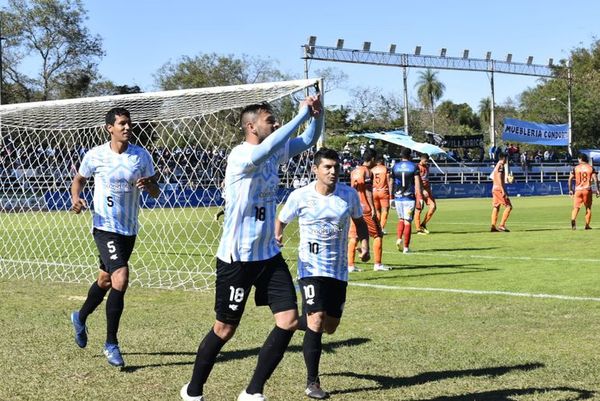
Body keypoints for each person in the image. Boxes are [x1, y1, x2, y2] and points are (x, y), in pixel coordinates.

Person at [180, 96, 323, 401]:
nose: (274, 123)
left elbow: (309, 139)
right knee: (224, 329)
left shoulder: (273, 152)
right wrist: (299, 115)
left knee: (287, 320)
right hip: (238, 258)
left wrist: (316, 115)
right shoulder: (241, 156)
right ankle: (193, 392)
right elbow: (271, 146)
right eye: (269, 120)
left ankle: (253, 391)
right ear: (251, 126)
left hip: (268, 255)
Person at [275, 148, 370, 399]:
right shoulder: (300, 196)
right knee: (316, 318)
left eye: (336, 167)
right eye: (327, 167)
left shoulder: (348, 195)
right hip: (310, 268)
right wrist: (278, 234)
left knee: (330, 326)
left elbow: (360, 222)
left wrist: (364, 244)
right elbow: (281, 219)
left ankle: (295, 322)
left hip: (337, 270)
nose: (333, 171)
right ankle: (312, 382)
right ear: (315, 170)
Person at [69, 107, 160, 368]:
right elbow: (78, 180)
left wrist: (149, 185)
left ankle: (80, 316)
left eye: (129, 123)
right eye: (121, 124)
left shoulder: (141, 156)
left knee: (106, 279)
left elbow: (155, 191)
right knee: (121, 275)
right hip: (104, 226)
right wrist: (76, 200)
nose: (127, 128)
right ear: (109, 128)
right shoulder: (95, 155)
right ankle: (111, 343)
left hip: (128, 229)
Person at [347, 148, 387, 272]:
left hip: (354, 207)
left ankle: (350, 265)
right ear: (373, 159)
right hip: (366, 208)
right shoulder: (367, 172)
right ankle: (378, 264)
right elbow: (368, 191)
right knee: (377, 235)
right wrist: (373, 208)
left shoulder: (354, 171)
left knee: (354, 237)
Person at [391, 147, 422, 253]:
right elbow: (417, 183)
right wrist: (420, 197)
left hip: (398, 197)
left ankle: (399, 238)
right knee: (407, 221)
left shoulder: (395, 166)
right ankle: (406, 247)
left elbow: (391, 182)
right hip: (409, 198)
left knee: (401, 219)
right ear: (410, 155)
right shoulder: (414, 166)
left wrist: (391, 197)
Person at [568, 153, 599, 230]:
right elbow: (595, 179)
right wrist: (598, 190)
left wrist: (570, 190)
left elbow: (570, 179)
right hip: (587, 190)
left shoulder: (576, 168)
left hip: (578, 190)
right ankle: (587, 225)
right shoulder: (591, 168)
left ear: (580, 159)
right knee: (588, 208)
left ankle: (573, 219)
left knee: (576, 207)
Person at [414, 153, 437, 235]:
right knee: (419, 208)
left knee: (433, 207)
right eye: (425, 161)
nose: (427, 162)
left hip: (427, 190)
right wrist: (422, 190)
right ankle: (418, 229)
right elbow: (416, 180)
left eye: (427, 161)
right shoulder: (417, 167)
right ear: (421, 159)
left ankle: (423, 224)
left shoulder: (427, 167)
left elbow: (426, 179)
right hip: (419, 190)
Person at [490, 152, 512, 232]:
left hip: (494, 188)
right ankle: (502, 225)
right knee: (509, 206)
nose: (507, 160)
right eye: (507, 158)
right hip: (499, 189)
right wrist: (503, 190)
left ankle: (493, 226)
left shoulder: (497, 165)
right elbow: (499, 177)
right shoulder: (501, 166)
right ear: (504, 158)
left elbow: (492, 177)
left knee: (496, 207)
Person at [370, 156, 392, 234]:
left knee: (377, 211)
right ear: (382, 161)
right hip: (383, 191)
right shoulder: (385, 169)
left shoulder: (372, 170)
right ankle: (381, 228)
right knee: (385, 210)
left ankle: (376, 227)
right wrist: (391, 194)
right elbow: (389, 181)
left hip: (374, 191)